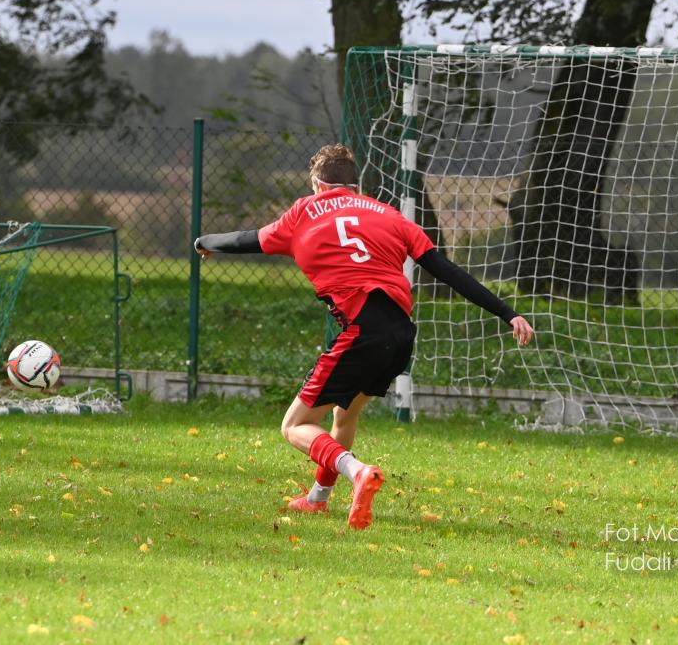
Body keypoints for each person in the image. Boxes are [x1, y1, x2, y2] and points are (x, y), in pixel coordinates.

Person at [195, 144, 534, 530]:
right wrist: (508, 313)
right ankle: (317, 499)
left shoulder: (304, 212)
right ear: (354, 185)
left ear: (317, 184)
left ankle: (357, 471)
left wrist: (205, 240)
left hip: (362, 332)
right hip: (401, 335)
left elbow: (248, 239)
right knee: (345, 414)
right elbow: (446, 270)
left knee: (294, 425)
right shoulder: (389, 215)